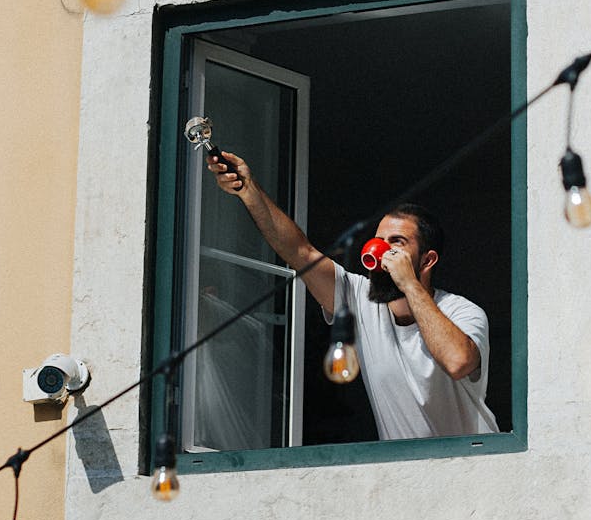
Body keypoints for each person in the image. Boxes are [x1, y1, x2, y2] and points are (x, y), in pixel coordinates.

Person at [206, 149, 499, 441]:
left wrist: (409, 284)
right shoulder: (360, 298)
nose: (383, 250)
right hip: (409, 473)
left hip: (475, 467)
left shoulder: (462, 312)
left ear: (427, 260)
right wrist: (249, 190)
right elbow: (300, 251)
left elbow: (458, 361)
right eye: (379, 241)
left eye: (397, 242)